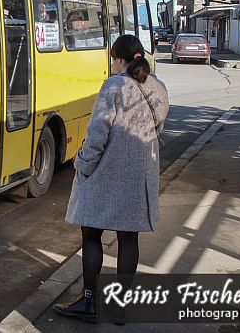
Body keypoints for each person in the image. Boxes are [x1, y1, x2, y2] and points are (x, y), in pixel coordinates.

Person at [53, 34, 169, 323]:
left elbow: (97, 135)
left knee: (91, 233)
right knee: (128, 238)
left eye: (113, 60)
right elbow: (158, 128)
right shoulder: (159, 88)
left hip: (107, 172)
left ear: (119, 59)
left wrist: (83, 165)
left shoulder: (114, 86)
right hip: (140, 176)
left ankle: (90, 302)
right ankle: (120, 308)